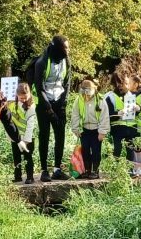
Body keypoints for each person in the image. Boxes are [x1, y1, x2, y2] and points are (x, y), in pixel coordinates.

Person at [34, 35, 71, 182]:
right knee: (44, 135)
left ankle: (57, 169)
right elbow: (39, 86)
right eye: (65, 47)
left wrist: (63, 102)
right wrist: (49, 109)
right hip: (44, 103)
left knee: (60, 135)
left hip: (59, 100)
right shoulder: (42, 62)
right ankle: (44, 170)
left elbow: (67, 83)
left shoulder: (67, 61)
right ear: (57, 48)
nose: (68, 50)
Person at [71, 80, 110, 179]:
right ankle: (87, 170)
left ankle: (95, 171)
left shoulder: (100, 100)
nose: (86, 96)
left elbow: (104, 117)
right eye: (84, 94)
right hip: (84, 130)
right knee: (85, 151)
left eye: (88, 94)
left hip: (96, 130)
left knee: (96, 151)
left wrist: (102, 132)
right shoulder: (79, 100)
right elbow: (75, 115)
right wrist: (76, 129)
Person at [105, 71, 141, 167]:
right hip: (117, 130)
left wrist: (138, 108)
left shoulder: (131, 95)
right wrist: (118, 113)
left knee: (131, 150)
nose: (124, 86)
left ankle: (130, 170)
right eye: (121, 83)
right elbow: (106, 115)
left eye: (126, 83)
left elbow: (137, 110)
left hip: (131, 129)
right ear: (116, 84)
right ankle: (115, 170)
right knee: (117, 150)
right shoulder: (110, 97)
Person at [8, 83, 36, 184]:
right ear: (17, 95)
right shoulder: (11, 104)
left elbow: (30, 124)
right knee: (16, 157)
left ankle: (30, 177)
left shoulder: (31, 105)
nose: (23, 100)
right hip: (15, 136)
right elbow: (9, 121)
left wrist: (27, 140)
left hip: (27, 137)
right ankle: (17, 176)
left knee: (28, 157)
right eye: (21, 98)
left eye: (25, 97)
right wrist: (11, 136)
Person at [129, 74, 141, 176]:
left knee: (138, 146)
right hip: (130, 123)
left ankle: (140, 169)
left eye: (130, 83)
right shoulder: (128, 94)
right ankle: (133, 168)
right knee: (131, 145)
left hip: (138, 124)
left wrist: (136, 108)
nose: (128, 85)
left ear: (135, 84)